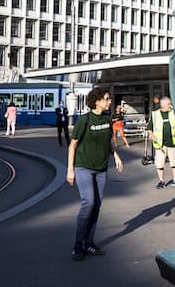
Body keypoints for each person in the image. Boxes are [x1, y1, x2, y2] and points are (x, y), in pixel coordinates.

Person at [67, 87, 123, 261]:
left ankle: (89, 243)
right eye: (107, 99)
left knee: (97, 205)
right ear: (97, 101)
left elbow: (109, 141)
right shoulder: (85, 120)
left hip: (101, 168)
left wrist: (116, 155)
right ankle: (78, 244)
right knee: (88, 203)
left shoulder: (107, 118)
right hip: (84, 167)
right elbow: (73, 145)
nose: (110, 101)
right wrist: (70, 170)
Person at [149, 96, 175, 188]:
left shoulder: (173, 113)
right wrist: (151, 135)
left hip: (172, 142)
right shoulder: (155, 114)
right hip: (160, 144)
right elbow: (150, 127)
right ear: (164, 105)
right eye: (169, 104)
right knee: (160, 163)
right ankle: (161, 181)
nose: (170, 105)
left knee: (174, 162)